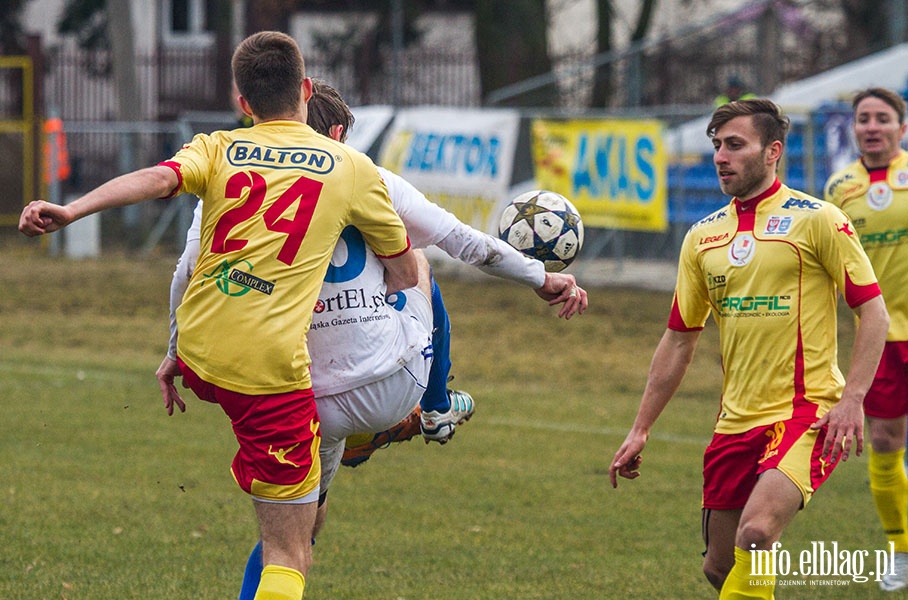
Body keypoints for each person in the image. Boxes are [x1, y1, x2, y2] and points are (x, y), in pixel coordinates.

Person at [20, 31, 419, 600]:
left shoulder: (218, 148)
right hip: (265, 374)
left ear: (243, 102)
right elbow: (403, 272)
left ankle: (361, 432)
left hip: (201, 355)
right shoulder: (349, 168)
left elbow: (157, 179)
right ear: (306, 89)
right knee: (291, 552)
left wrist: (74, 208)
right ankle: (422, 403)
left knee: (304, 511)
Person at [156, 79, 589, 598]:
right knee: (419, 260)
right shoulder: (366, 176)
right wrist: (542, 280)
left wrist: (175, 349)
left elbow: (186, 273)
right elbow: (464, 241)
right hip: (384, 384)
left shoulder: (230, 184)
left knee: (289, 539)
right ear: (337, 132)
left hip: (296, 396)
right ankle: (434, 407)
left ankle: (379, 428)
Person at [609, 98, 889, 599]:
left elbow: (873, 311)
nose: (721, 156)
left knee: (757, 534)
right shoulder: (701, 238)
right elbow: (678, 338)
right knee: (719, 568)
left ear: (772, 151)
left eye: (735, 145)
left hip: (809, 411)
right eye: (717, 146)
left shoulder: (819, 219)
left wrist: (853, 399)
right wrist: (641, 427)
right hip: (734, 421)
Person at [824, 86, 908, 592]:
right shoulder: (838, 189)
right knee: (883, 442)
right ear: (854, 128)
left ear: (901, 127)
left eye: (882, 117)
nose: (872, 126)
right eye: (863, 118)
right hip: (880, 338)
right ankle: (901, 548)